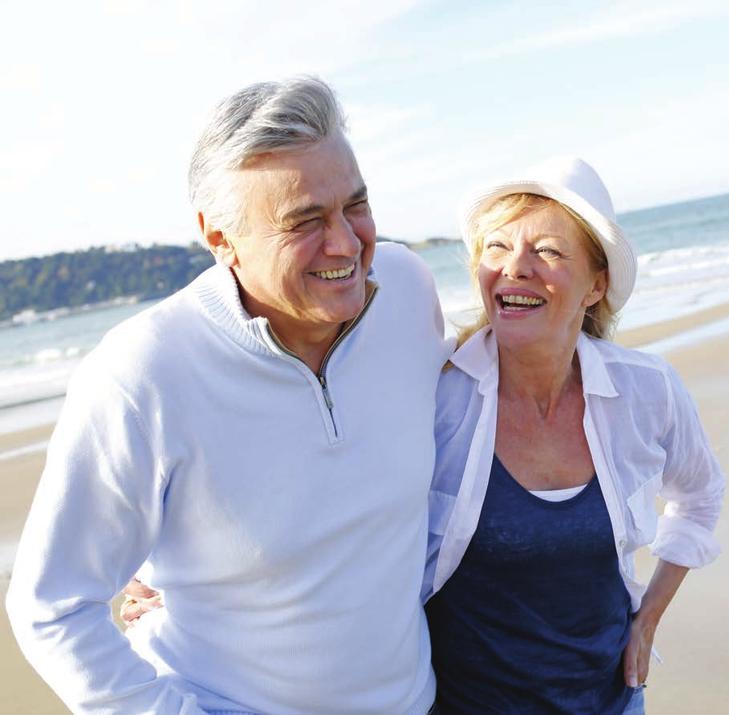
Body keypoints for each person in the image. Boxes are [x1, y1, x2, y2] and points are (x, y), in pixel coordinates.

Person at [6, 77, 449, 714]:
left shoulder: (406, 287)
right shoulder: (143, 374)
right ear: (220, 241)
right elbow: (50, 608)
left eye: (355, 204)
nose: (347, 244)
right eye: (305, 222)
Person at [422, 157, 725, 713]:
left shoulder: (645, 390)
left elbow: (700, 497)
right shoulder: (433, 396)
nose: (515, 268)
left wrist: (648, 618)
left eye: (549, 251)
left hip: (612, 702)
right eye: (496, 247)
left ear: (596, 285)